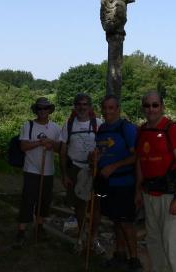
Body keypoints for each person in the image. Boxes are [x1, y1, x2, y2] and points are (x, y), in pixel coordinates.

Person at [135, 91, 176, 272]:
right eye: (147, 105)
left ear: (162, 107)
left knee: (173, 246)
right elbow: (140, 163)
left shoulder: (172, 130)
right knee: (154, 243)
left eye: (155, 105)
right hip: (149, 195)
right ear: (143, 108)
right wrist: (138, 191)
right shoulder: (142, 131)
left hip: (168, 196)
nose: (151, 109)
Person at [95, 94, 143, 271]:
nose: (108, 112)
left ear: (118, 109)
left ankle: (135, 260)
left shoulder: (126, 128)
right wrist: (95, 158)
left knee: (126, 221)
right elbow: (102, 151)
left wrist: (114, 166)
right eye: (105, 108)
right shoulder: (101, 130)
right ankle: (120, 255)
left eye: (111, 108)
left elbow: (136, 155)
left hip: (124, 182)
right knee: (115, 220)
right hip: (107, 184)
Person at [59, 93, 103, 253]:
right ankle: (82, 236)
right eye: (79, 104)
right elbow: (62, 151)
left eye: (85, 104)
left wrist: (97, 160)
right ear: (75, 106)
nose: (82, 107)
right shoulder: (69, 125)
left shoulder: (98, 123)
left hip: (95, 170)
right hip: (75, 169)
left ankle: (94, 238)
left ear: (90, 106)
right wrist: (64, 174)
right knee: (79, 205)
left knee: (96, 205)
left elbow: (104, 146)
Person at [14, 97, 61, 246]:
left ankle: (39, 228)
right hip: (31, 169)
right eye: (39, 108)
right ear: (36, 110)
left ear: (49, 111)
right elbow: (23, 146)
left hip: (48, 171)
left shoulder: (55, 128)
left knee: (44, 201)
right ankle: (21, 231)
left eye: (45, 108)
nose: (42, 111)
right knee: (28, 200)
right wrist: (40, 143)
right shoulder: (28, 125)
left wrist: (51, 144)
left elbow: (60, 148)